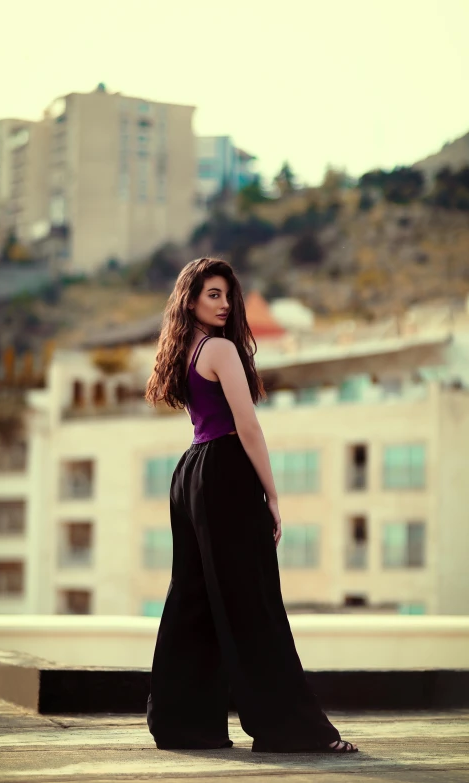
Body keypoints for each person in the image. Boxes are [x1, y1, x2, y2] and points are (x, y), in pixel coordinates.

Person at [144, 257, 358, 754]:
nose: (222, 304)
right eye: (212, 294)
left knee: (193, 597)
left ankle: (181, 723)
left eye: (226, 295)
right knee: (254, 603)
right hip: (223, 471)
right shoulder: (219, 348)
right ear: (191, 299)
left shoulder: (184, 350)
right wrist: (274, 495)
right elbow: (248, 426)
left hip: (191, 473)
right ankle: (292, 729)